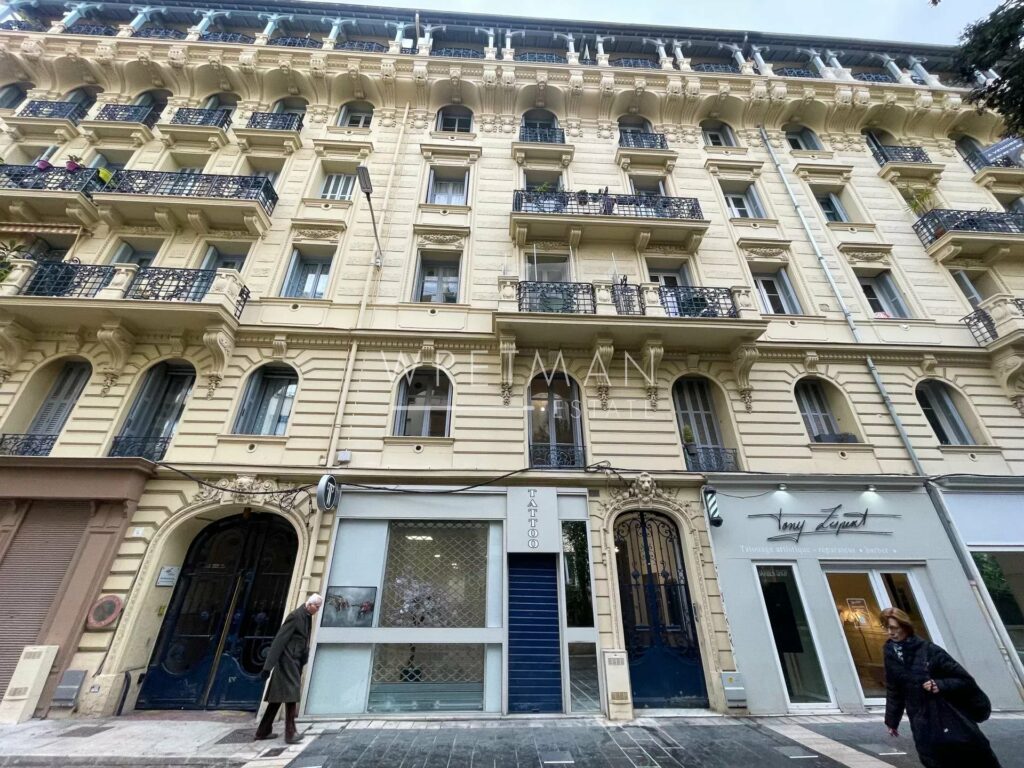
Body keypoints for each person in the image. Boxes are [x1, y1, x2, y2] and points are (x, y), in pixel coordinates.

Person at [882, 607, 1001, 768]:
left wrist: (940, 685)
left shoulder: (929, 650)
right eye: (887, 628)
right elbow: (894, 690)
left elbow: (964, 680)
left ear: (905, 627)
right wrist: (892, 721)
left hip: (948, 715)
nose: (890, 632)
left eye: (894, 628)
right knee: (932, 758)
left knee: (969, 756)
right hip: (920, 718)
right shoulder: (890, 653)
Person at [254, 593, 323, 744]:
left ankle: (263, 731)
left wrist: (304, 657)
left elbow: (304, 640)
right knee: (291, 694)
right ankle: (290, 733)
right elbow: (279, 641)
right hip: (287, 661)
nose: (318, 610)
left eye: (319, 607)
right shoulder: (295, 616)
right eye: (317, 607)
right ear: (309, 604)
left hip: (294, 661)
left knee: (277, 698)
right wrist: (267, 667)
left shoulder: (307, 616)